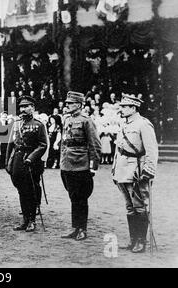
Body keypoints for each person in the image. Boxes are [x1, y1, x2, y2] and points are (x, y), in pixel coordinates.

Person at [112, 94, 158, 253]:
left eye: (124, 107)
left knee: (139, 206)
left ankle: (141, 241)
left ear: (133, 108)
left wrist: (148, 171)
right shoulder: (123, 124)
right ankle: (133, 240)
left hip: (136, 170)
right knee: (129, 207)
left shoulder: (143, 124)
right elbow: (119, 150)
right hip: (122, 170)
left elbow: (152, 150)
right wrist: (114, 169)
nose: (121, 109)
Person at [60, 91, 101, 241]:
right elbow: (64, 143)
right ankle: (75, 227)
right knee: (73, 197)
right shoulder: (66, 119)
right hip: (67, 165)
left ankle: (82, 229)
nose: (67, 105)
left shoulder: (86, 121)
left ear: (78, 104)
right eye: (67, 103)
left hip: (81, 164)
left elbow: (95, 145)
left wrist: (93, 166)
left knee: (81, 198)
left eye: (70, 103)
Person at [6, 96, 48, 232]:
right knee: (21, 191)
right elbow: (11, 144)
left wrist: (31, 158)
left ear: (33, 108)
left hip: (32, 163)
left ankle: (32, 220)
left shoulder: (38, 125)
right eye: (21, 107)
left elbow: (43, 145)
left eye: (26, 106)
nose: (23, 109)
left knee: (31, 190)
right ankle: (25, 219)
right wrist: (8, 162)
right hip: (18, 160)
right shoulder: (16, 124)